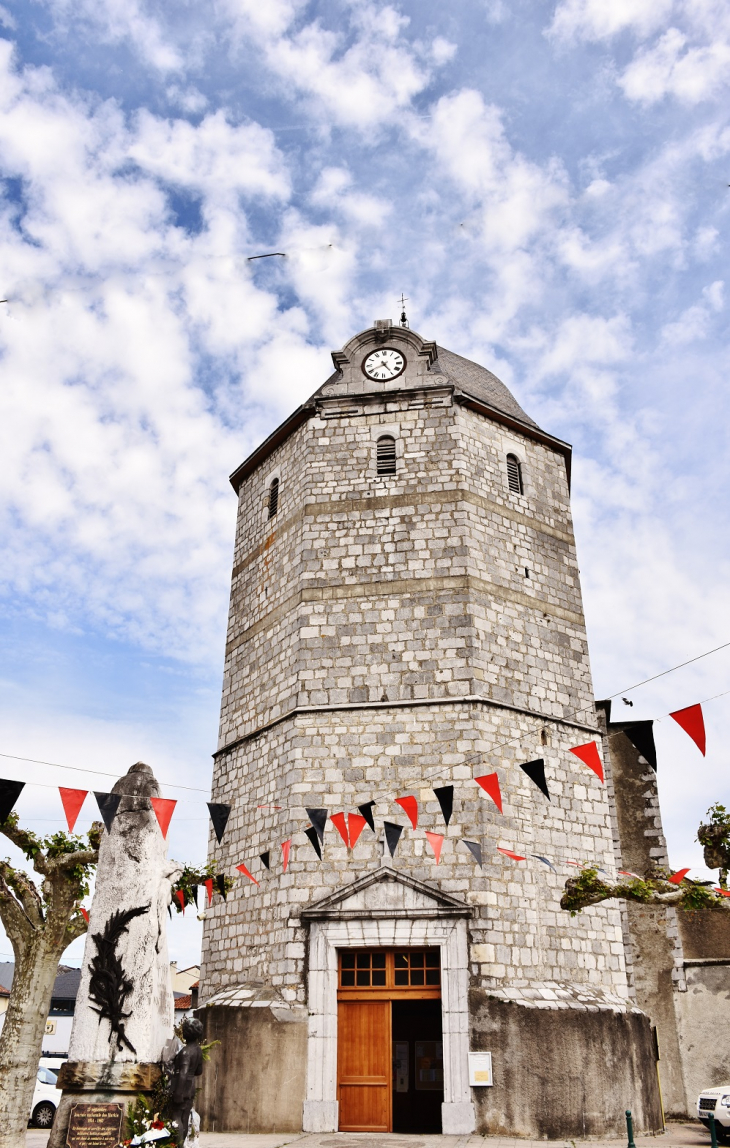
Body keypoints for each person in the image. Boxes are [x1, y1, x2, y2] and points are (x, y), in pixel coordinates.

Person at [168, 1018, 204, 1146]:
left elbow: (183, 1073)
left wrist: (178, 1092)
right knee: (185, 1117)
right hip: (191, 1086)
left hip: (182, 1086)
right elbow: (199, 1071)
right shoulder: (198, 1050)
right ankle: (183, 1144)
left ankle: (178, 1144)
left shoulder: (185, 1052)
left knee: (177, 1117)